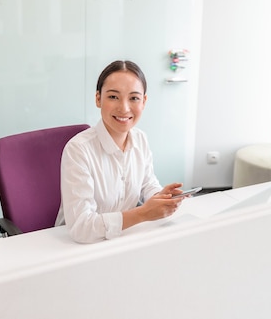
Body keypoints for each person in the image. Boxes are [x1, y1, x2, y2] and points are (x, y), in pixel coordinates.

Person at [55, 60, 188, 243]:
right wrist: (143, 213)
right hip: (76, 246)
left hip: (124, 239)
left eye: (134, 98)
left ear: (144, 101)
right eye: (113, 97)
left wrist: (161, 197)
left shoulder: (140, 139)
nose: (124, 108)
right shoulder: (78, 149)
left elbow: (147, 184)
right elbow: (82, 228)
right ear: (98, 99)